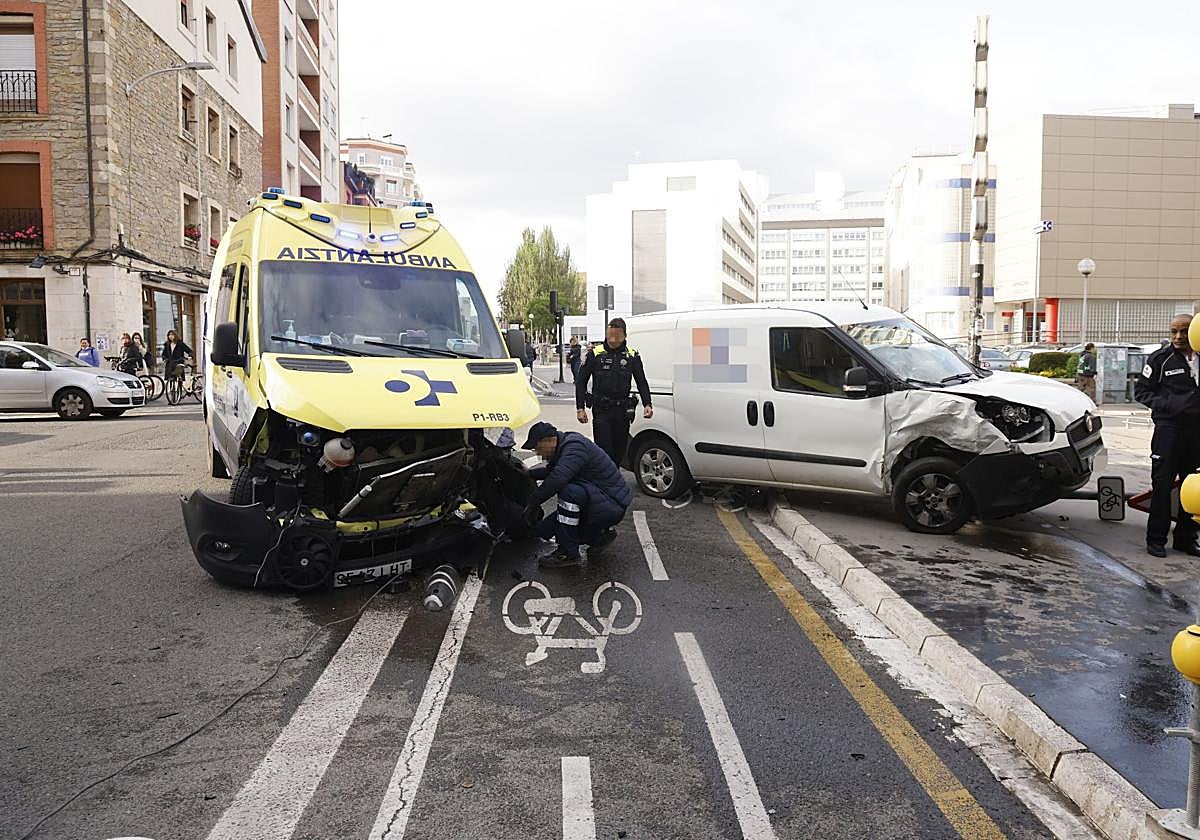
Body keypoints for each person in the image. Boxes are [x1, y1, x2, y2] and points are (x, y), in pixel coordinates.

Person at [522, 421, 633, 568]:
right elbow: (553, 472)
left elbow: (558, 478)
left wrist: (532, 503)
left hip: (611, 503)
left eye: (538, 448)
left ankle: (569, 554)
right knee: (544, 530)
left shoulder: (574, 447)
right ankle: (600, 537)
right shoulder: (563, 448)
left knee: (569, 492)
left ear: (550, 440)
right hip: (600, 499)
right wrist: (527, 474)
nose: (538, 453)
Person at [1134, 314, 1200, 558]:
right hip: (1169, 432)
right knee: (1162, 487)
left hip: (1196, 434)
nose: (1178, 337)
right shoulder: (1160, 359)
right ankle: (1156, 540)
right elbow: (1141, 392)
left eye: (1184, 332)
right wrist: (1167, 406)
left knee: (1193, 488)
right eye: (1174, 332)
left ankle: (1186, 539)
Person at [576, 318, 652, 467]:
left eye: (616, 335)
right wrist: (580, 408)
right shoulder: (596, 354)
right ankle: (606, 484)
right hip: (602, 410)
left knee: (619, 451)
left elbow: (641, 381)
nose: (612, 339)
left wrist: (647, 403)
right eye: (610, 334)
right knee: (604, 452)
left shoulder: (631, 355)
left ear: (624, 336)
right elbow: (581, 381)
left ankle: (612, 478)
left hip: (622, 411)